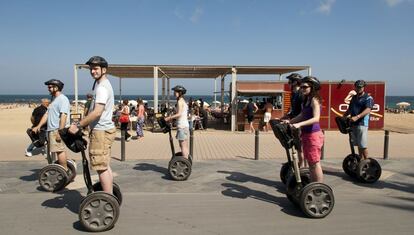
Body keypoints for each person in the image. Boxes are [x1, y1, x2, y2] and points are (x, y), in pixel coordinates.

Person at [69, 56, 116, 194]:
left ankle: (108, 198)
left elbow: (97, 112)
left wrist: (78, 125)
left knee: (101, 166)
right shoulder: (102, 85)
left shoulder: (102, 88)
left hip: (101, 131)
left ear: (104, 70)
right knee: (104, 165)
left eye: (95, 68)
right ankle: (110, 195)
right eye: (91, 69)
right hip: (103, 130)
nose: (92, 71)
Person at [288, 76, 324, 183]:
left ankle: (319, 188)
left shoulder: (315, 100)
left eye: (304, 87)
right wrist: (289, 121)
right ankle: (313, 185)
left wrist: (299, 125)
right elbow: (302, 115)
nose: (302, 89)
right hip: (306, 134)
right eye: (301, 86)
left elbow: (316, 118)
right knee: (310, 163)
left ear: (312, 87)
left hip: (314, 135)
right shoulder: (306, 100)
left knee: (315, 163)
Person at [33, 79, 71, 171]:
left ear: (56, 87)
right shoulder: (54, 100)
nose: (48, 89)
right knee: (55, 151)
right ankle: (61, 170)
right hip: (51, 130)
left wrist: (60, 131)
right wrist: (38, 126)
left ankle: (64, 171)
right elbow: (47, 114)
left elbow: (64, 115)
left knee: (59, 151)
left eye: (50, 87)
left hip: (57, 129)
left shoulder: (63, 99)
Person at [343, 80, 374, 160]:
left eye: (360, 87)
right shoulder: (354, 98)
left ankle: (367, 163)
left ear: (363, 87)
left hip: (362, 123)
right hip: (353, 124)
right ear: (355, 87)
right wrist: (344, 116)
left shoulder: (368, 98)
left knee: (363, 145)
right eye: (357, 87)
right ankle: (361, 161)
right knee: (358, 144)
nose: (359, 88)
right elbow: (350, 109)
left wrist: (357, 116)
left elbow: (368, 109)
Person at [165, 85, 190, 159]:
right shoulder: (183, 101)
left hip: (182, 126)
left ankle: (185, 162)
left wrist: (169, 118)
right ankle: (187, 160)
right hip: (185, 125)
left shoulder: (179, 101)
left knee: (182, 146)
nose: (174, 93)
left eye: (175, 91)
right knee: (184, 145)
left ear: (180, 93)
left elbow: (179, 114)